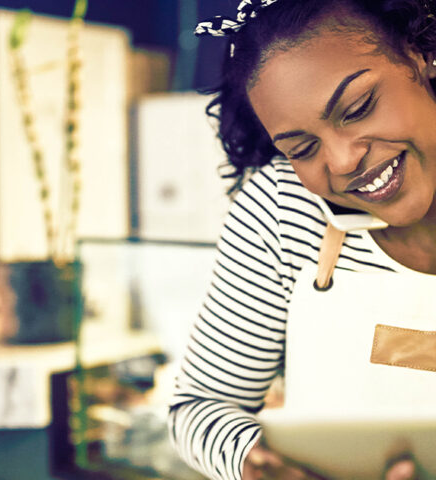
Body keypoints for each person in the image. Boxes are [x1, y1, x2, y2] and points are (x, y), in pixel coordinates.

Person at [168, 0, 436, 479]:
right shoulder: (282, 207)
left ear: (418, 55)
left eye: (357, 109)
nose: (341, 161)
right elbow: (200, 408)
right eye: (302, 149)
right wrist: (255, 464)